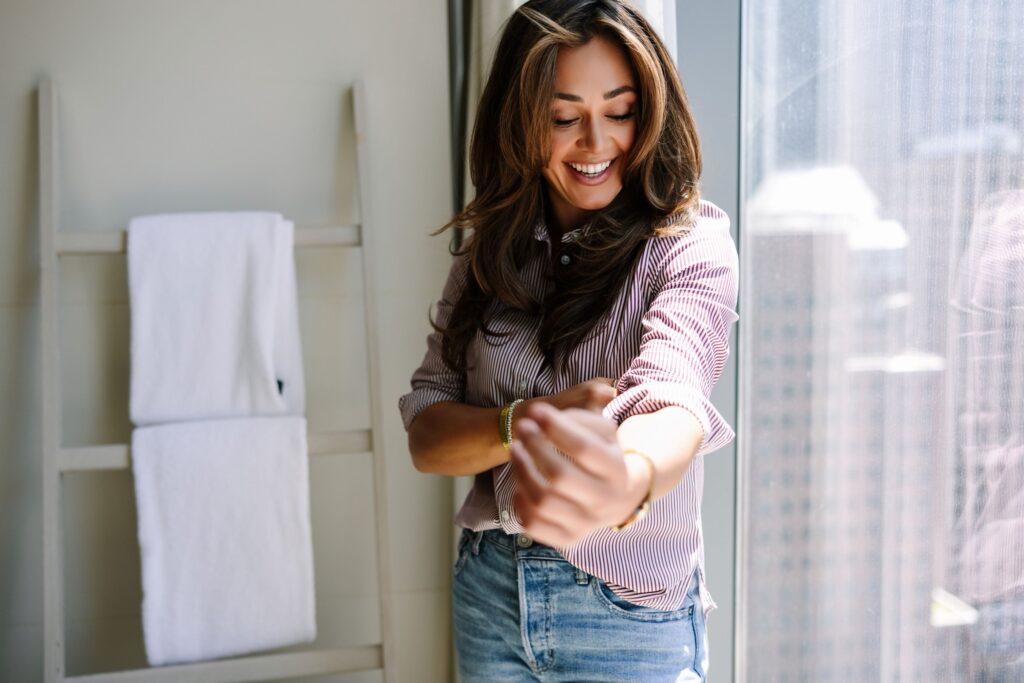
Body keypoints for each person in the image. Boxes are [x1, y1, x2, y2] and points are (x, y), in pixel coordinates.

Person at [398, 1, 739, 680]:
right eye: (563, 118)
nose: (596, 143)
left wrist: (630, 478)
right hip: (490, 592)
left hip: (627, 617)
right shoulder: (488, 256)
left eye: (620, 111)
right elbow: (428, 437)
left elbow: (672, 402)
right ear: (520, 121)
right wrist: (527, 422)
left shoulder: (691, 247)